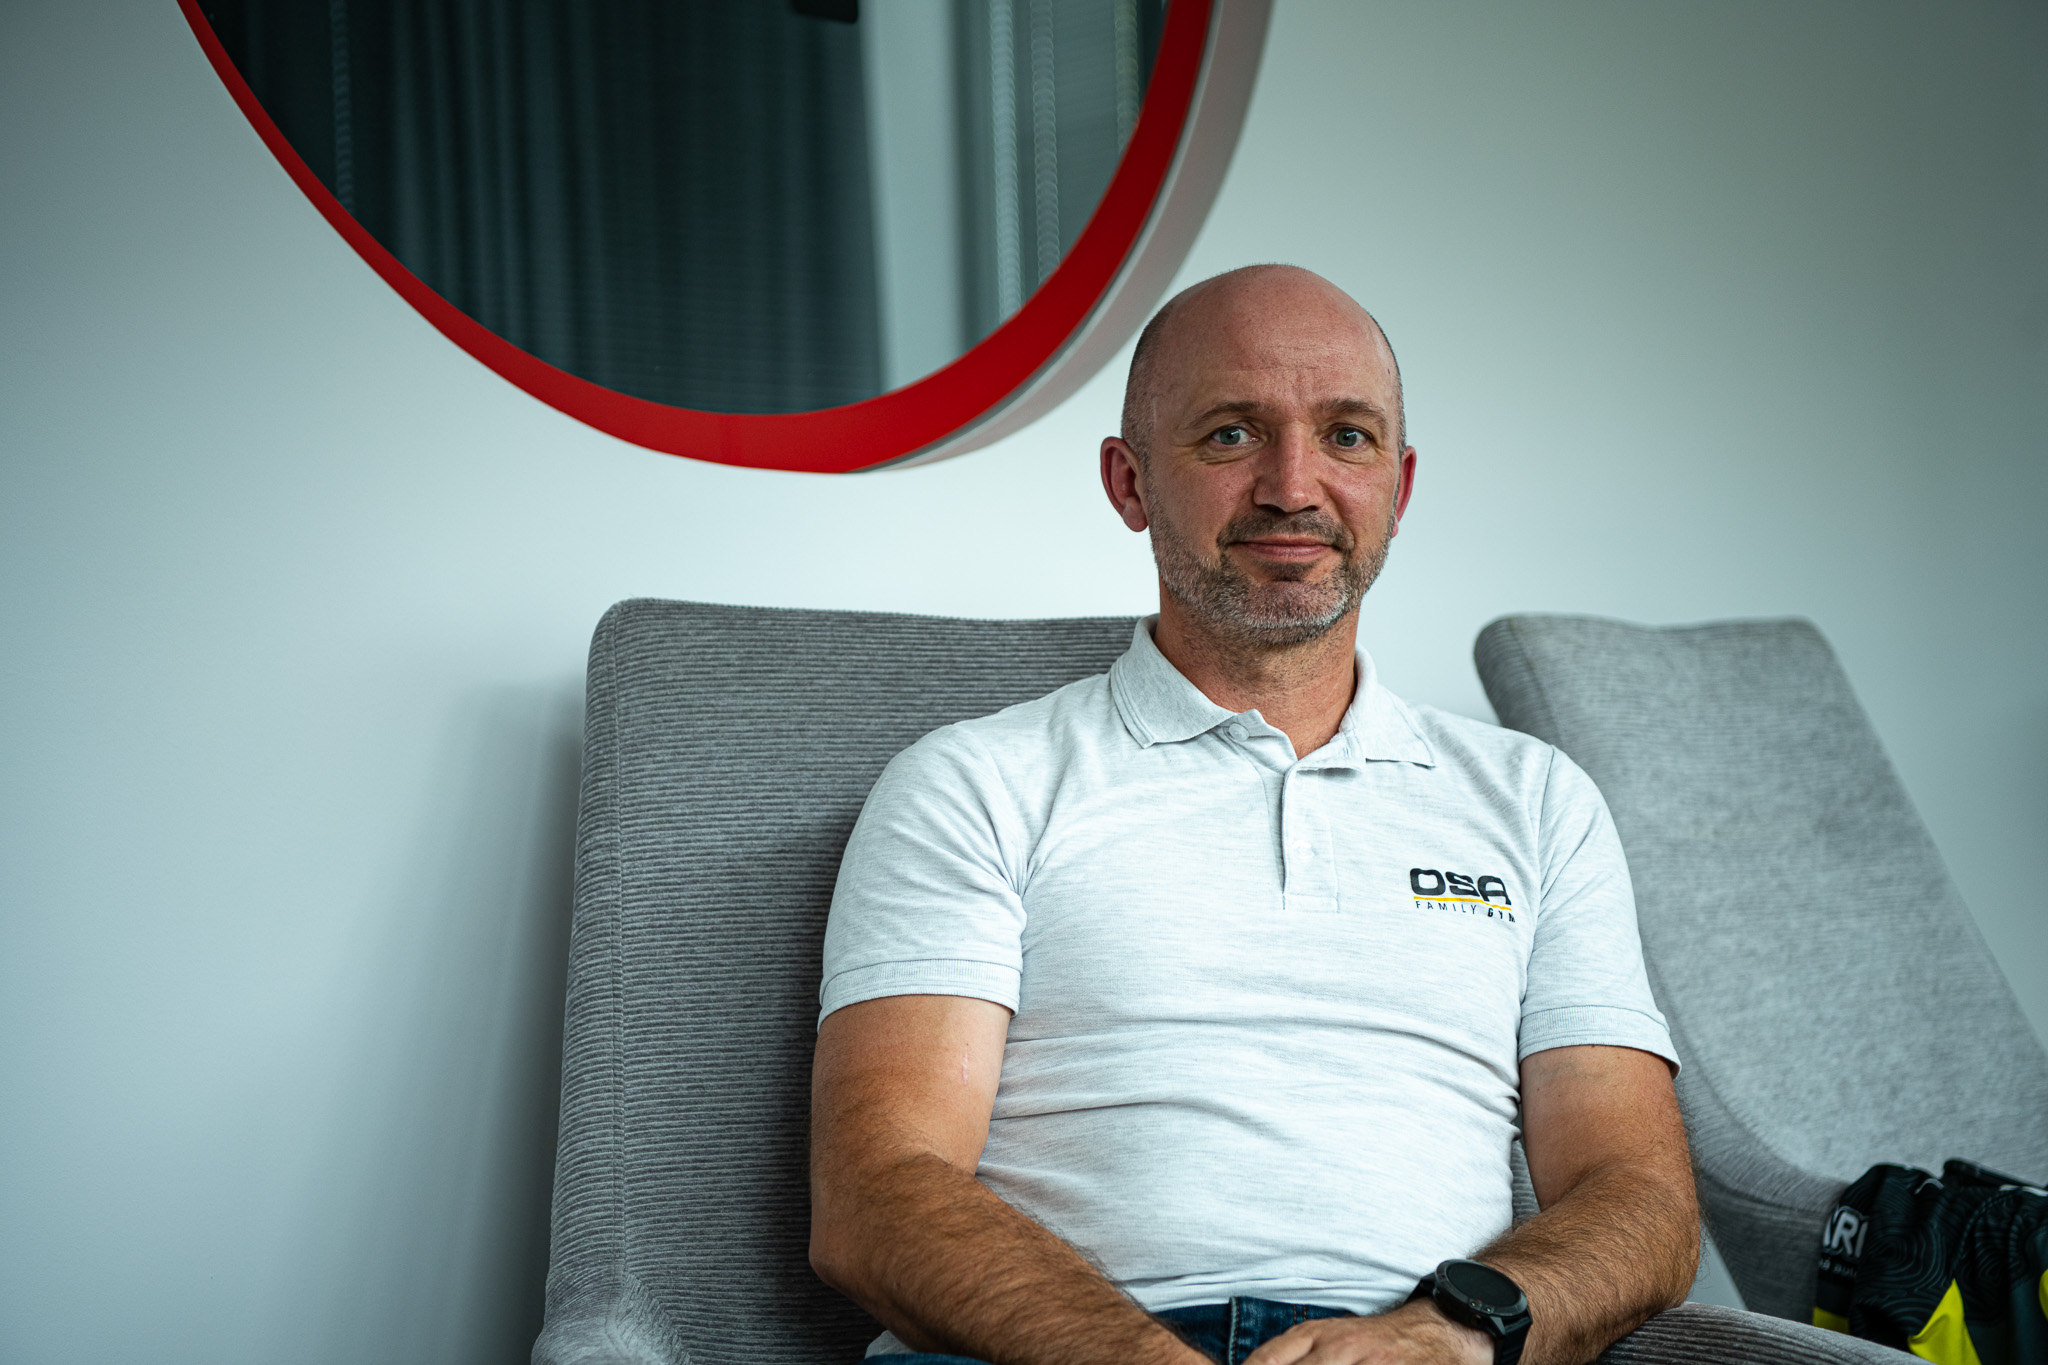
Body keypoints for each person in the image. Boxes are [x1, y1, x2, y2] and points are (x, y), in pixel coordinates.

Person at [807, 265, 1698, 1365]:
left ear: (1399, 488)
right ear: (1129, 482)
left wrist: (1451, 1337)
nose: (1292, 487)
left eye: (1346, 437)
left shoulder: (1537, 801)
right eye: (1231, 434)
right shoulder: (973, 783)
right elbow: (878, 1190)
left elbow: (1639, 1195)